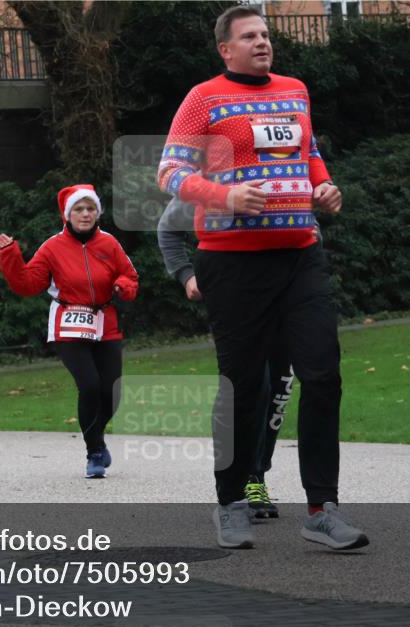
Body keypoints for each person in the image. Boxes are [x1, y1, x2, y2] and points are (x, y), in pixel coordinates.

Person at [157, 5, 367, 550]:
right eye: (249, 36)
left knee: (322, 374)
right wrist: (223, 195)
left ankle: (322, 509)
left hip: (300, 255)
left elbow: (309, 152)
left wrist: (324, 187)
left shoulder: (295, 89)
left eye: (266, 34)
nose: (262, 42)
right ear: (225, 49)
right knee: (244, 386)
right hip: (231, 262)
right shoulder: (204, 98)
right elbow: (170, 172)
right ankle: (231, 501)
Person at [157, 196, 292, 518]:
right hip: (234, 294)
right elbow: (168, 228)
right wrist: (186, 274)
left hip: (284, 296)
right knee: (249, 385)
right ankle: (242, 478)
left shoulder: (286, 177)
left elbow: (311, 232)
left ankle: (257, 473)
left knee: (280, 383)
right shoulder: (215, 178)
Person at [0, 185, 139, 478]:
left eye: (90, 209)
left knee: (111, 391)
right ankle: (94, 452)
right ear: (68, 214)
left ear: (97, 212)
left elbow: (130, 275)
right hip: (68, 324)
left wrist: (123, 286)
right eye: (79, 209)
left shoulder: (110, 243)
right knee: (89, 386)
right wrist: (10, 254)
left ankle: (95, 437)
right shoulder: (52, 247)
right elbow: (27, 284)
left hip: (105, 322)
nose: (85, 214)